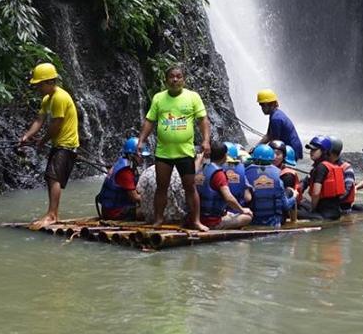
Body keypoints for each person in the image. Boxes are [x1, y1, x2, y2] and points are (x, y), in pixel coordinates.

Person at [141, 63, 211, 231]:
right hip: (163, 152)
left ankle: (196, 221)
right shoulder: (158, 98)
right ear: (166, 81)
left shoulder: (193, 97)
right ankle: (158, 220)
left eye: (178, 77)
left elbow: (203, 120)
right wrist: (141, 140)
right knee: (161, 187)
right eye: (171, 77)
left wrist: (206, 140)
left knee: (190, 187)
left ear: (184, 80)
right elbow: (150, 121)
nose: (175, 80)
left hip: (185, 151)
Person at [17, 62, 79, 229]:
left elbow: (56, 125)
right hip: (59, 144)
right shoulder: (47, 99)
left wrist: (42, 141)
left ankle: (52, 215)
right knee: (50, 177)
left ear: (50, 82)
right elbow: (39, 120)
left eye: (40, 84)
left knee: (54, 177)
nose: (38, 88)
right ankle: (52, 214)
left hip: (66, 144)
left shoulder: (59, 97)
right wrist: (27, 136)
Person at [195, 142, 252, 230]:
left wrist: (201, 157)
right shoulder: (218, 174)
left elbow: (195, 168)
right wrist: (242, 210)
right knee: (247, 217)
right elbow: (229, 198)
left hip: (198, 218)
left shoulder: (201, 168)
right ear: (225, 156)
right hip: (212, 222)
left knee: (229, 214)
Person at [297, 135, 350, 221]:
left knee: (289, 211)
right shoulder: (329, 165)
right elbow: (306, 182)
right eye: (311, 150)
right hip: (334, 213)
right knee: (302, 202)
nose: (311, 152)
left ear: (324, 151)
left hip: (324, 215)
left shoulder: (321, 167)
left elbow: (316, 193)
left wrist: (312, 210)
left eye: (314, 150)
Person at [244, 143, 293, 228]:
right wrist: (294, 197)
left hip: (252, 221)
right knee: (290, 192)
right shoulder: (278, 178)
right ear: (271, 160)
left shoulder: (246, 175)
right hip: (274, 223)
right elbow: (285, 206)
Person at [96, 136, 142, 222]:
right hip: (115, 212)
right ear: (131, 155)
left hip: (112, 208)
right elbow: (135, 198)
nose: (142, 158)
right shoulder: (125, 171)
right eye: (140, 155)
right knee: (148, 210)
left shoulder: (122, 162)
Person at [255, 88, 303, 161]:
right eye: (261, 105)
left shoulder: (276, 119)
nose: (262, 108)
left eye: (263, 105)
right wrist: (256, 147)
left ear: (270, 104)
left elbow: (275, 142)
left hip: (291, 150)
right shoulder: (275, 114)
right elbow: (268, 135)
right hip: (293, 147)